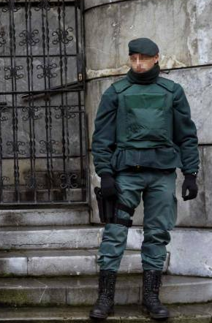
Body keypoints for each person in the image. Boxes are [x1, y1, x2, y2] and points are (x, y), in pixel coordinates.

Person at [90, 38, 199, 320]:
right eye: (133, 58)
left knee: (158, 234)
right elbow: (101, 138)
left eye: (144, 58)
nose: (138, 64)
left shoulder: (172, 92)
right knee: (114, 232)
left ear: (156, 59)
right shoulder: (116, 92)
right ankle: (105, 298)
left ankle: (151, 297)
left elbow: (186, 135)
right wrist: (105, 173)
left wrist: (190, 174)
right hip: (126, 174)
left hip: (162, 173)